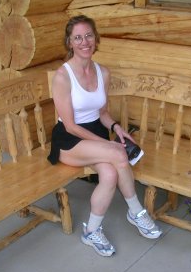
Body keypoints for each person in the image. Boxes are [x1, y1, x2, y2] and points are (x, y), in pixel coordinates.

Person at [48, 15, 162, 257]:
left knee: (110, 174)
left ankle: (91, 232)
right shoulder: (62, 76)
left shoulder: (103, 73)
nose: (84, 42)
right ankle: (137, 212)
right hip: (70, 139)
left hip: (96, 135)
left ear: (96, 38)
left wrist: (117, 128)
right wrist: (109, 144)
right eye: (77, 37)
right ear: (69, 42)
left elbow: (101, 112)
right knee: (118, 152)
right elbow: (69, 125)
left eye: (88, 35)